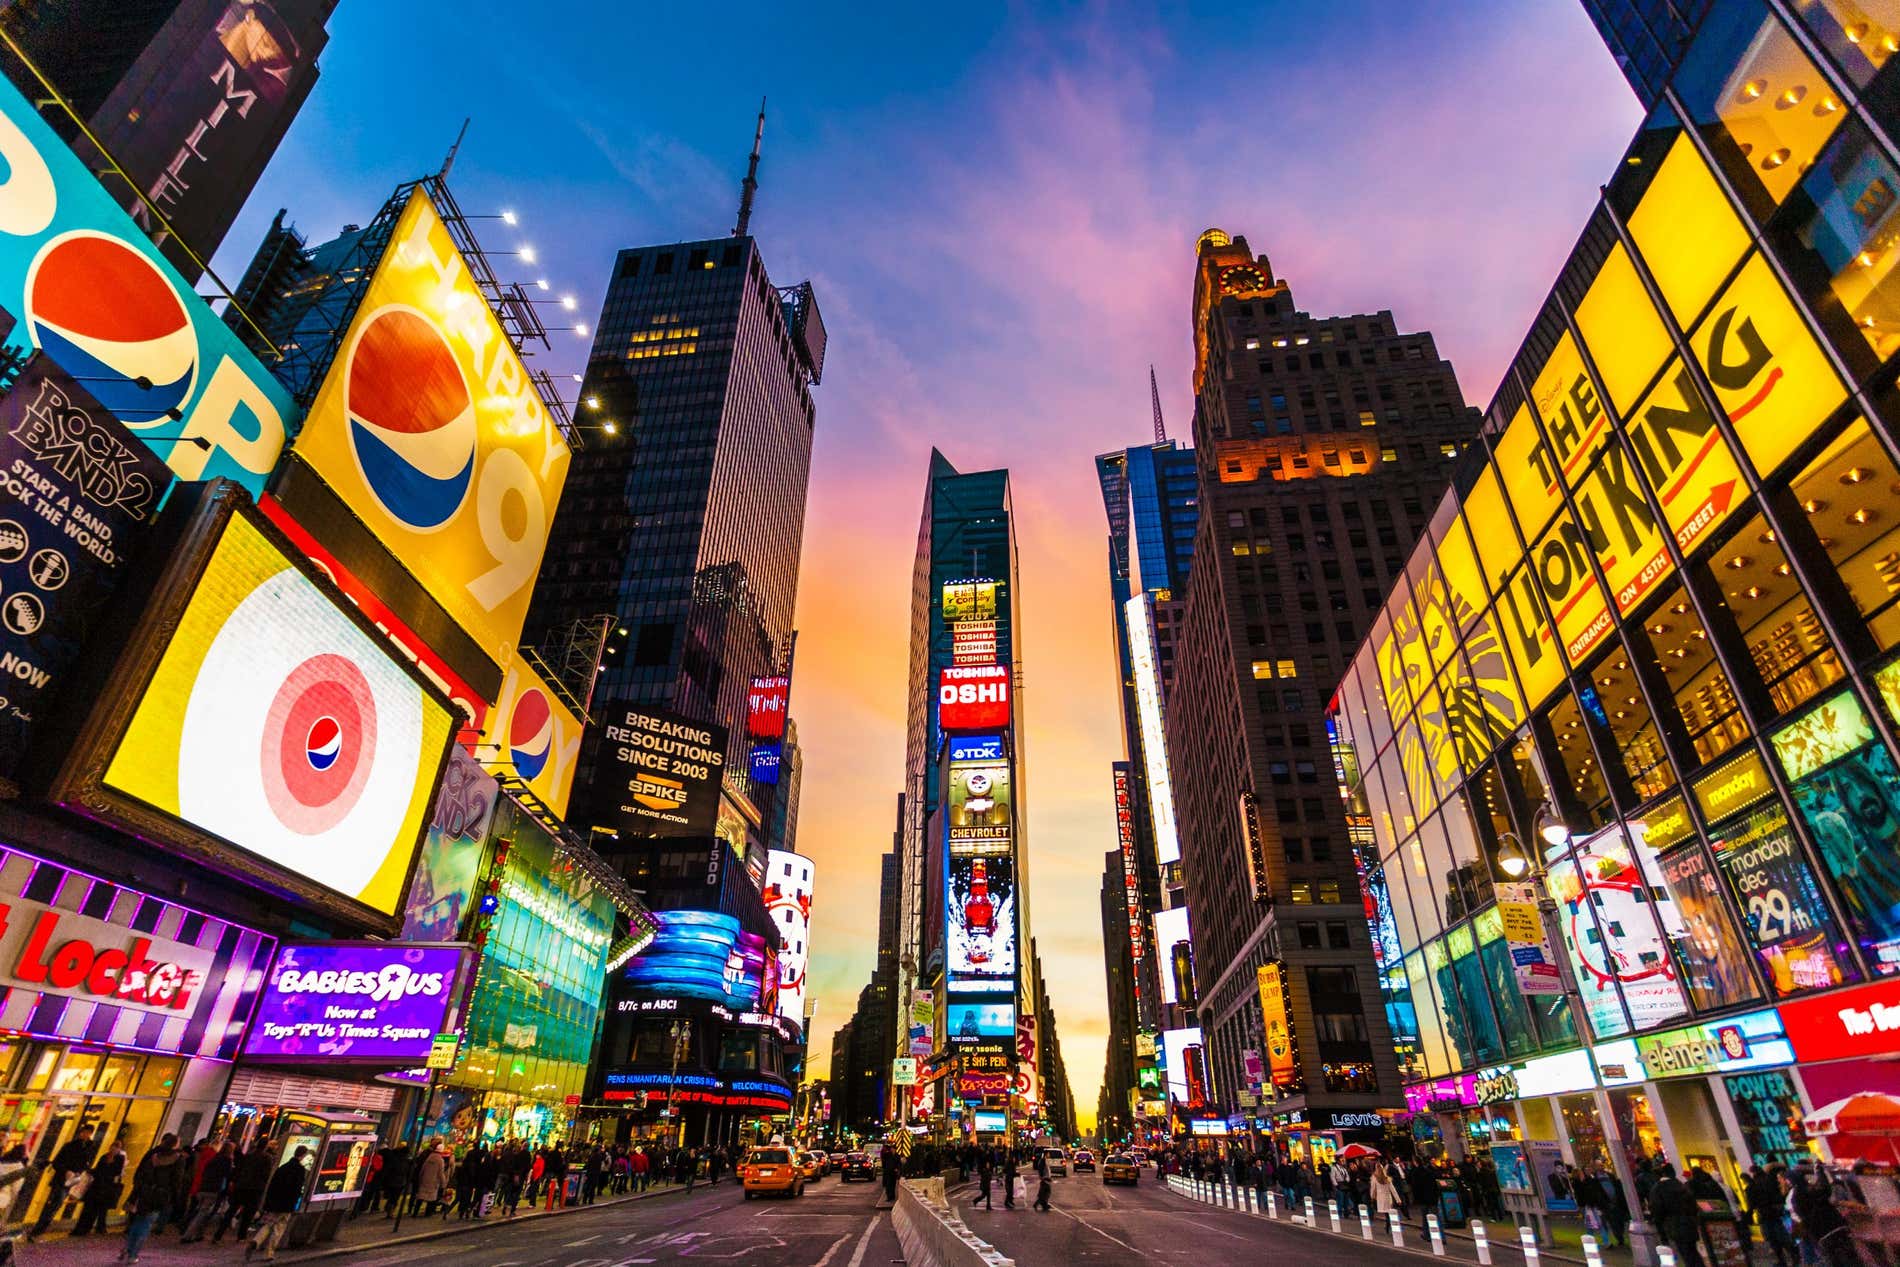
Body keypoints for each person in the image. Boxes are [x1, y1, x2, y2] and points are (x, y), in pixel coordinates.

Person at [122, 1132, 187, 1265]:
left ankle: (128, 1248)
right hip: (160, 1194)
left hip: (145, 1192)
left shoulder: (154, 1156)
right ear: (175, 1145)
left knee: (139, 1221)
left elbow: (142, 1174)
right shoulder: (178, 1159)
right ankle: (133, 1254)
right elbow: (177, 1181)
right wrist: (175, 1198)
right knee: (146, 1224)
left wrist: (137, 1191)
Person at [29, 1121, 96, 1240]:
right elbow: (57, 1162)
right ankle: (38, 1230)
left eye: (88, 1133)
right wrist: (66, 1171)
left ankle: (39, 1229)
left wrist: (79, 1172)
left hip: (73, 1179)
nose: (86, 1135)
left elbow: (86, 1164)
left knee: (56, 1204)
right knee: (55, 1203)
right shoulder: (70, 1146)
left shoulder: (90, 1148)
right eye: (84, 1132)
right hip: (62, 1178)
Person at [245, 1145, 309, 1262]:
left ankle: (255, 1242)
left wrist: (268, 1202)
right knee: (278, 1228)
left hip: (274, 1203)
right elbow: (297, 1188)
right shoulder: (300, 1170)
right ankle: (269, 1253)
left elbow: (272, 1185)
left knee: (268, 1224)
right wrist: (295, 1202)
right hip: (287, 1204)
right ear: (303, 1155)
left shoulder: (282, 1167)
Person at [1791, 1164, 1857, 1267]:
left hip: (1821, 1234)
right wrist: (1820, 1173)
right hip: (1834, 1227)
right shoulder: (1813, 1190)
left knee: (1834, 1260)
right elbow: (1826, 1189)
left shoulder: (1796, 1196)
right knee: (1850, 1257)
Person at [215, 1139, 274, 1244]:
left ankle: (218, 1235)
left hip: (241, 1186)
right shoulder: (267, 1158)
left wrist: (235, 1181)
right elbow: (266, 1174)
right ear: (266, 1146)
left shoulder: (248, 1155)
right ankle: (241, 1236)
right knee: (248, 1214)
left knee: (232, 1210)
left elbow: (239, 1169)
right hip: (255, 1188)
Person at [1647, 1163, 1704, 1267]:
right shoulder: (1680, 1185)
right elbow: (1692, 1204)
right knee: (1693, 1251)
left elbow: (1657, 1209)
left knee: (1686, 1253)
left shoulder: (1658, 1188)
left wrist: (1659, 1223)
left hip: (1674, 1224)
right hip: (1689, 1223)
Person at [181, 1138, 237, 1241]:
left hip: (203, 1187)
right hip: (213, 1189)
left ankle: (198, 1234)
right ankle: (187, 1234)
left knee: (202, 1210)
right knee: (203, 1212)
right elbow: (227, 1174)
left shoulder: (214, 1158)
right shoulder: (226, 1160)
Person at [70, 1135, 126, 1238]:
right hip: (96, 1186)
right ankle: (80, 1228)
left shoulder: (120, 1158)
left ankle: (88, 1228)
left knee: (96, 1209)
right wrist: (89, 1171)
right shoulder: (104, 1156)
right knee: (88, 1208)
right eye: (113, 1145)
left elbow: (116, 1172)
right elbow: (97, 1169)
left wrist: (110, 1164)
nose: (114, 1148)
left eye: (117, 1146)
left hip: (105, 1188)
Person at [1747, 1164, 1794, 1267]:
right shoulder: (1770, 1180)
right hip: (1775, 1212)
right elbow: (1778, 1193)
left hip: (1764, 1214)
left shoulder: (1752, 1185)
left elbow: (1752, 1203)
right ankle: (1793, 1254)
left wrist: (1749, 1214)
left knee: (1772, 1238)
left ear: (1752, 1173)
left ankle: (1781, 1260)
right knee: (1781, 1234)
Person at [412, 1143, 449, 1217]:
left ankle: (415, 1212)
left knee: (421, 1197)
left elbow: (423, 1168)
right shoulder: (440, 1160)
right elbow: (440, 1173)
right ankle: (428, 1213)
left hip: (425, 1180)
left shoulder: (429, 1157)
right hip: (434, 1181)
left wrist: (420, 1177)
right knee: (431, 1199)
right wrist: (443, 1183)